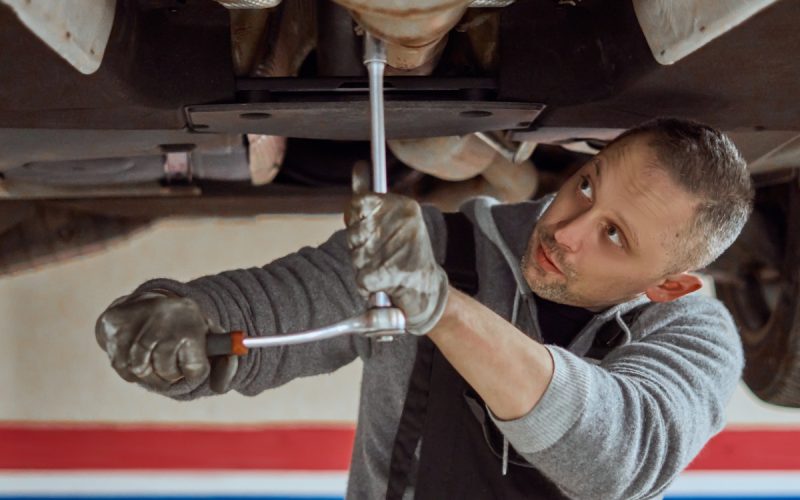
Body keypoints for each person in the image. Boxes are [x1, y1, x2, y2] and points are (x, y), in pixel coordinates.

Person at [95, 117, 753, 499]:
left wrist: (440, 309)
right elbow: (288, 304)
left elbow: (616, 455)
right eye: (586, 185)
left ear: (670, 284)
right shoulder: (436, 247)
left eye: (615, 235)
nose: (566, 230)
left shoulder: (697, 337)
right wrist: (186, 317)